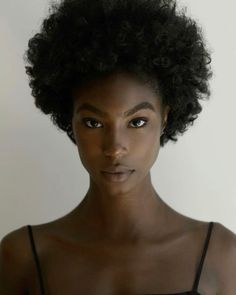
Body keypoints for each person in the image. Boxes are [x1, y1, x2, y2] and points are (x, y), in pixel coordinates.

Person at [0, 0, 236, 294]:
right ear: (68, 119)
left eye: (137, 122)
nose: (114, 148)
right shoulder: (23, 257)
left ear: (164, 118)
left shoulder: (221, 254)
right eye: (93, 123)